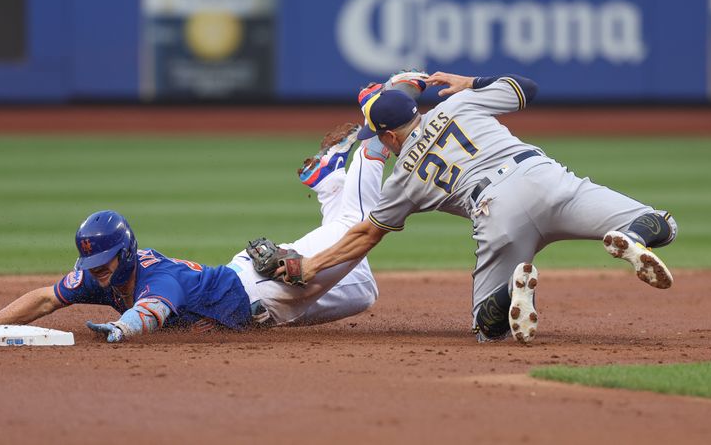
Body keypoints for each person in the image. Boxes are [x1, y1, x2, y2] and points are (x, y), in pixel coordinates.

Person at [0, 104, 422, 341]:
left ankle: (375, 132)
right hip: (259, 288)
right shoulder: (102, 278)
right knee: (364, 292)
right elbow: (43, 297)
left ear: (123, 255)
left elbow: (152, 313)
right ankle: (330, 182)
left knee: (359, 224)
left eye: (103, 264)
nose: (97, 274)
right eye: (92, 266)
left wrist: (120, 329)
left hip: (271, 289)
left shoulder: (156, 277)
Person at [284, 71, 678, 344]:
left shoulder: (402, 178)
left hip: (496, 213)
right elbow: (526, 88)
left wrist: (311, 266)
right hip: (544, 178)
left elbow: (365, 235)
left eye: (380, 138)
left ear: (388, 136)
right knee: (661, 224)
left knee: (488, 330)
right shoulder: (456, 106)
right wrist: (467, 82)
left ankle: (511, 291)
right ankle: (631, 235)